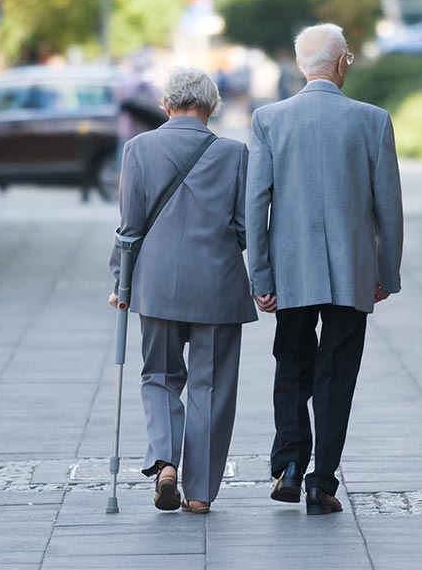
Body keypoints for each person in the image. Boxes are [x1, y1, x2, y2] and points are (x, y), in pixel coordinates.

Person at [245, 23, 404, 515]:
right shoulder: (372, 120)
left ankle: (290, 465)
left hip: (291, 270)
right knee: (337, 375)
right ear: (341, 64)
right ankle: (323, 482)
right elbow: (389, 208)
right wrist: (386, 273)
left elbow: (256, 204)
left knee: (292, 364)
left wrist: (261, 276)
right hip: (351, 272)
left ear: (300, 67)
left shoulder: (268, 120)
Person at [109, 67, 257, 514]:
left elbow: (129, 227)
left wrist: (121, 282)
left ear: (166, 105)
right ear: (212, 106)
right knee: (212, 386)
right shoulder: (234, 153)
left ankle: (165, 460)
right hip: (218, 286)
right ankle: (200, 492)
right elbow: (245, 228)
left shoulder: (137, 149)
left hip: (155, 286)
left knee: (159, 376)